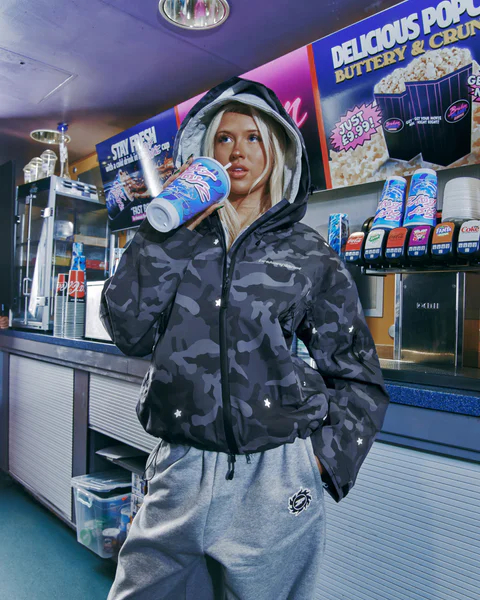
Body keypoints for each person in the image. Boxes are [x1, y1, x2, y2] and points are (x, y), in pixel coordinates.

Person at [101, 77, 389, 600]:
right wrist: (166, 230)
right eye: (224, 138)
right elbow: (128, 330)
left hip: (276, 478)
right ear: (204, 152)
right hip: (181, 468)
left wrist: (321, 463)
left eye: (253, 137)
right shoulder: (174, 237)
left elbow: (358, 375)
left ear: (276, 150)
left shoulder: (309, 253)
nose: (237, 151)